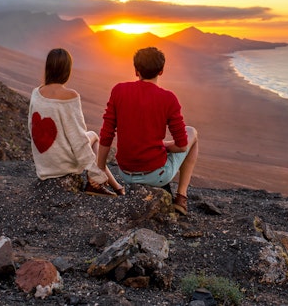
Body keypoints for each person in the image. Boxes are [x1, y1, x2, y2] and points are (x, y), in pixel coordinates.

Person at [96, 46, 198, 215]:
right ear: (161, 71)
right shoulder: (168, 98)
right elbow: (182, 146)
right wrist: (162, 146)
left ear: (136, 71)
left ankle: (177, 194)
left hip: (125, 174)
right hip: (156, 175)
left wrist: (100, 167)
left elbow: (106, 134)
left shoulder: (119, 91)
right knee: (192, 132)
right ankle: (181, 197)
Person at [28, 48, 124, 197]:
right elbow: (78, 140)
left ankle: (117, 187)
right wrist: (95, 173)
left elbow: (32, 128)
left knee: (88, 137)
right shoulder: (70, 96)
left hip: (44, 166)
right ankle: (98, 185)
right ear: (67, 70)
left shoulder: (36, 93)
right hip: (64, 165)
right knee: (92, 136)